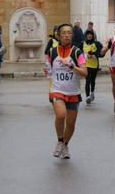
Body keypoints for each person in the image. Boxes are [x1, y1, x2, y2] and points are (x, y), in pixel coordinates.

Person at [44, 23, 87, 159]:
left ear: (72, 35)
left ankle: (65, 145)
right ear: (58, 35)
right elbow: (49, 70)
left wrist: (71, 65)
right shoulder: (52, 51)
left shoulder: (76, 52)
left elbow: (84, 73)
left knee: (70, 123)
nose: (67, 35)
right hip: (56, 89)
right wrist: (47, 71)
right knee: (61, 115)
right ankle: (59, 141)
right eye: (64, 33)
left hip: (73, 91)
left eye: (69, 33)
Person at [79, 29, 103, 105]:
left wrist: (93, 53)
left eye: (91, 34)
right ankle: (87, 97)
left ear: (93, 36)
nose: (89, 35)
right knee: (87, 80)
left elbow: (101, 52)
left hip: (94, 65)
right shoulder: (83, 43)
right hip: (85, 65)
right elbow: (77, 52)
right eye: (88, 34)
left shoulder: (96, 43)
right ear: (86, 35)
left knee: (92, 80)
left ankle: (92, 92)